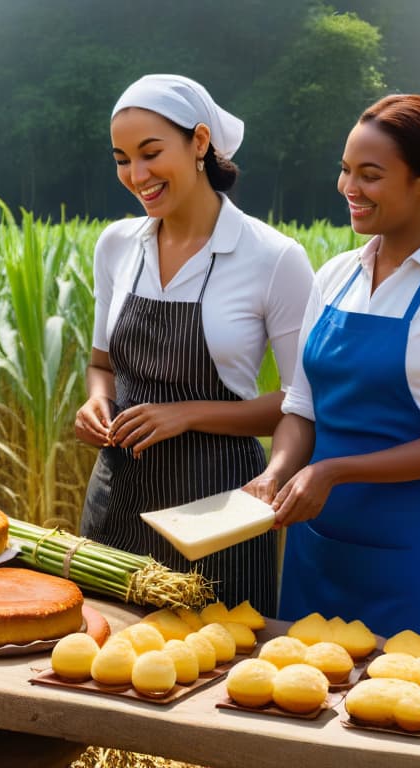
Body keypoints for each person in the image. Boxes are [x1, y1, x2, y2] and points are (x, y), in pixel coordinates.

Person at [244, 94, 420, 652]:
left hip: (417, 556)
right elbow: (302, 407)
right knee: (301, 713)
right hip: (317, 548)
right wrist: (277, 472)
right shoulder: (334, 276)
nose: (350, 187)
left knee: (413, 716)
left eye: (370, 175)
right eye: (346, 170)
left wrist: (332, 472)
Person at [75, 74, 314, 614]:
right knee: (103, 667)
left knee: (217, 670)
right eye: (121, 158)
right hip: (118, 499)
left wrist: (186, 414)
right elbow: (101, 364)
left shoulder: (272, 257)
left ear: (200, 142)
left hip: (221, 509)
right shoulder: (116, 245)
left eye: (151, 153)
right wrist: (96, 399)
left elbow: (304, 402)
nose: (136, 176)